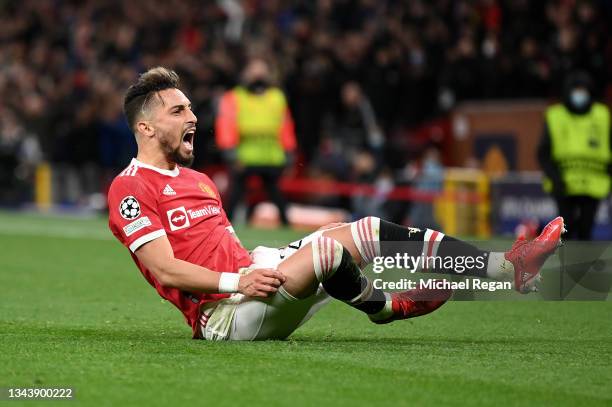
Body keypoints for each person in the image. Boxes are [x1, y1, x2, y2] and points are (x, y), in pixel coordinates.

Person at [108, 67, 565, 341]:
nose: (193, 118)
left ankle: (507, 267)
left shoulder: (199, 180)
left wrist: (254, 268)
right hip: (224, 316)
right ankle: (386, 307)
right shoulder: (129, 189)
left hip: (256, 278)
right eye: (178, 112)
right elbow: (166, 269)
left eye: (190, 108)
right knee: (328, 253)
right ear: (145, 128)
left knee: (365, 229)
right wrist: (239, 280)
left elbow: (224, 251)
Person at [215, 57, 296, 226]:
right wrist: (230, 153)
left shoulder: (277, 97)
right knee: (235, 195)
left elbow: (286, 126)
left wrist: (289, 152)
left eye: (261, 70)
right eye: (254, 70)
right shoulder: (234, 97)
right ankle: (224, 228)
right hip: (244, 155)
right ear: (246, 73)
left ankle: (287, 227)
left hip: (271, 155)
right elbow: (226, 125)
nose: (258, 74)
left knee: (276, 194)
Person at [538, 71, 611, 240]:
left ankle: (581, 264)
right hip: (563, 184)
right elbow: (543, 152)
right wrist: (555, 178)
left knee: (586, 230)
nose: (580, 95)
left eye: (583, 90)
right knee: (566, 229)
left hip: (594, 184)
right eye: (576, 90)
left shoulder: (602, 116)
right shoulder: (555, 116)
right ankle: (568, 265)